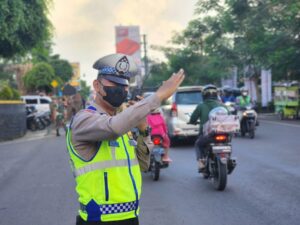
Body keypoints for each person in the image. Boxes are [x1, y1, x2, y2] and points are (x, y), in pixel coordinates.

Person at [66, 53, 185, 225]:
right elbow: (113, 127)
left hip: (130, 217)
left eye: (125, 86)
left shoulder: (123, 123)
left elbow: (143, 165)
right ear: (97, 85)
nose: (121, 90)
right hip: (98, 219)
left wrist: (144, 129)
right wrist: (158, 97)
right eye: (114, 84)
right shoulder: (84, 119)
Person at [189, 84, 225, 172]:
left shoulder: (201, 106)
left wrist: (192, 122)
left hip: (207, 135)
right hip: (224, 133)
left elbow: (193, 119)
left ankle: (201, 162)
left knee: (198, 144)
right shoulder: (222, 105)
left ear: (204, 95)